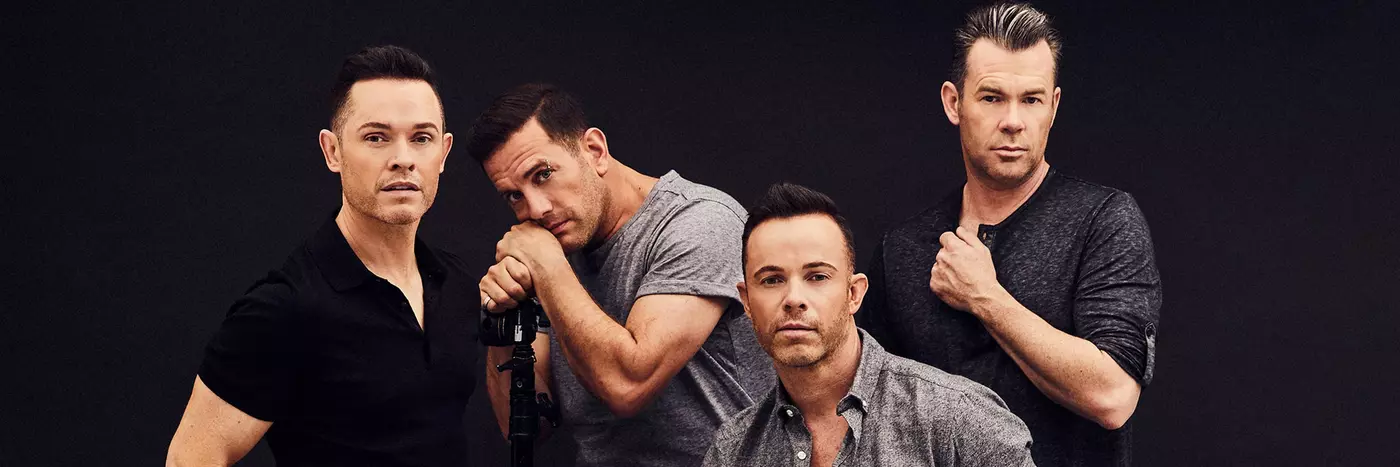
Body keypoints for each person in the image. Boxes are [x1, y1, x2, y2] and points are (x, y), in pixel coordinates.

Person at [857, 3, 1163, 466]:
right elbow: (871, 414)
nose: (1013, 121)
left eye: (1031, 99)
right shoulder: (902, 250)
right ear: (953, 102)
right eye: (992, 97)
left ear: (1053, 107)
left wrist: (985, 297)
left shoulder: (1104, 221)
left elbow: (1114, 395)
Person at [166, 45, 479, 466]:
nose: (403, 159)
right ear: (333, 152)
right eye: (376, 138)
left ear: (442, 153)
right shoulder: (284, 308)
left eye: (420, 138)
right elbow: (191, 458)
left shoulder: (456, 284)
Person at [466, 83, 774, 467]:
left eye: (543, 174)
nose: (536, 208)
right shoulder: (553, 250)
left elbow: (628, 385)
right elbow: (526, 427)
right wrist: (502, 320)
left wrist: (547, 269)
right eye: (514, 195)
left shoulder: (698, 221)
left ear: (594, 151)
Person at [704, 183, 1035, 467]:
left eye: (817, 277)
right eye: (772, 279)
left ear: (853, 294)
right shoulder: (733, 450)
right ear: (746, 302)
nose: (794, 298)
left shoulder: (957, 417)